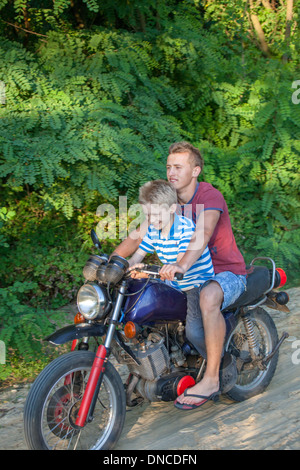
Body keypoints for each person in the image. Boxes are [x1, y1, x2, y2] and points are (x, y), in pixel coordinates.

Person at [112, 141, 247, 410]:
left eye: (178, 167)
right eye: (168, 167)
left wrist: (182, 264)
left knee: (208, 296)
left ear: (195, 170)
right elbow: (138, 237)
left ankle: (211, 379)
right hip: (183, 276)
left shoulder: (209, 197)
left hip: (224, 272)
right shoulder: (165, 200)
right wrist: (112, 264)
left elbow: (203, 234)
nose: (171, 172)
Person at [128, 180, 215, 300]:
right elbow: (136, 258)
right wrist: (122, 268)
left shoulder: (185, 228)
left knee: (193, 318)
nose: (152, 220)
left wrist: (147, 269)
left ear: (172, 208)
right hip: (175, 285)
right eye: (148, 215)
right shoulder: (153, 230)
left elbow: (178, 263)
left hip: (197, 285)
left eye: (156, 214)